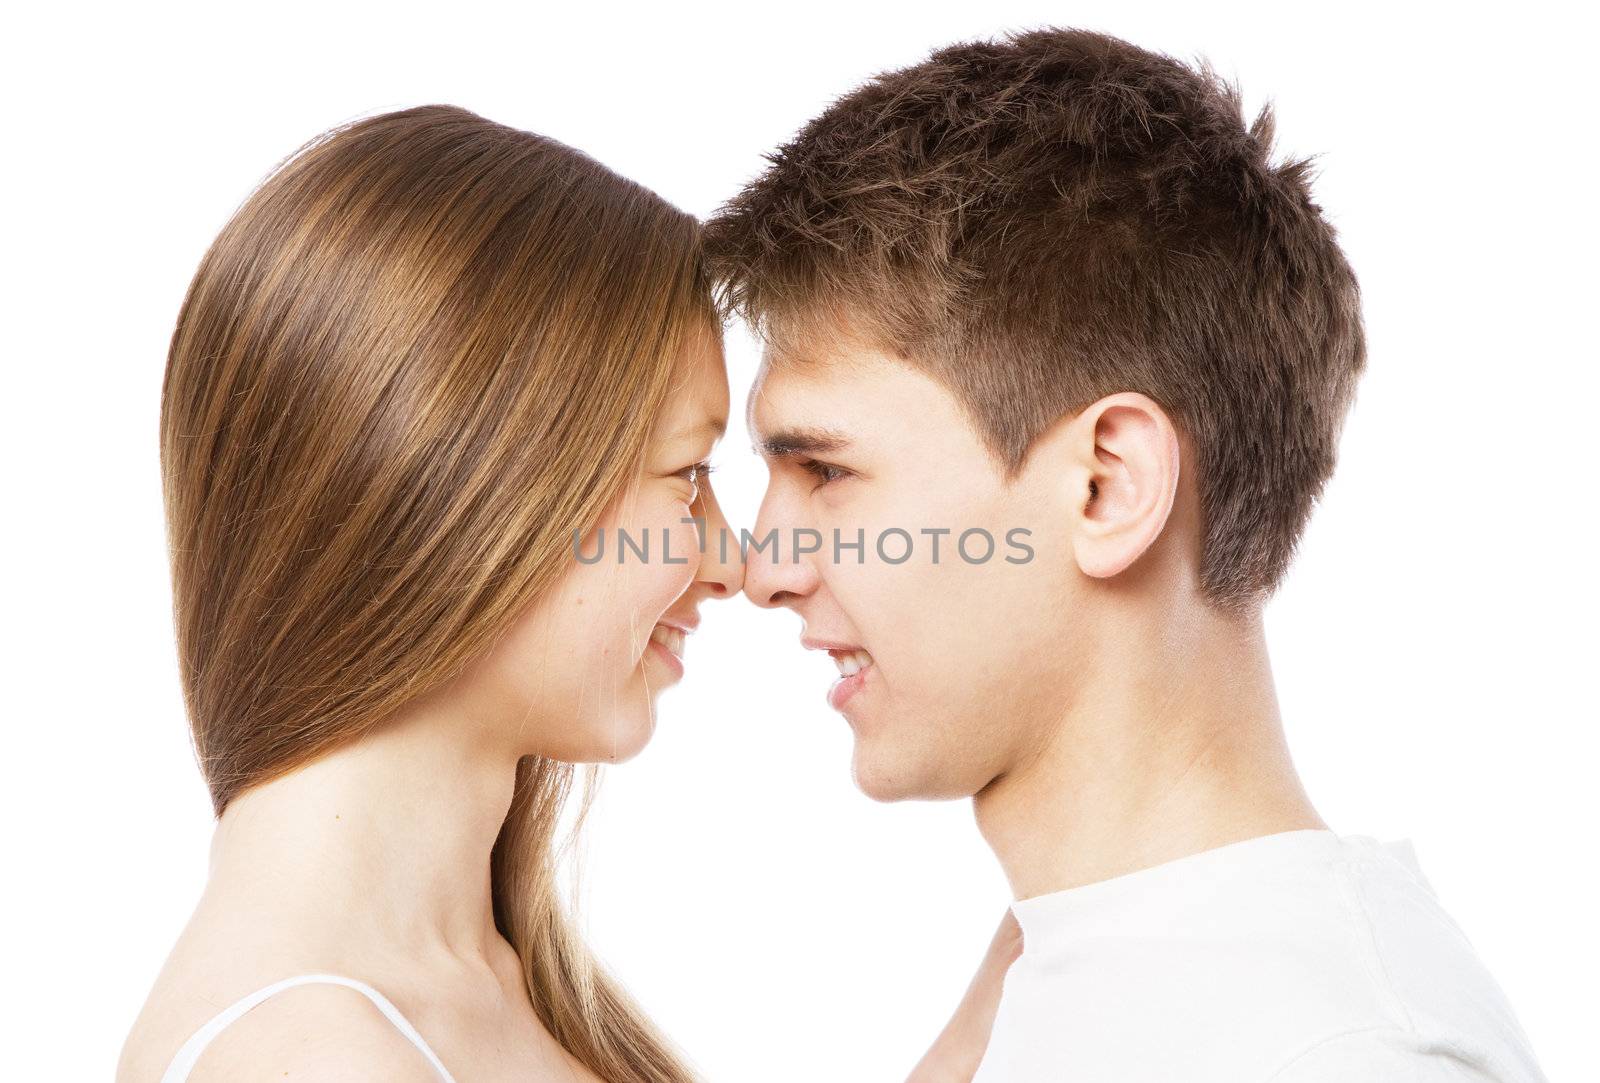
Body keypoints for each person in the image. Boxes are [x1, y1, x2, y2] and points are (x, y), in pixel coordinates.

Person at [701, 27, 1550, 1082]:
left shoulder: (1337, 1055)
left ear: (1107, 486)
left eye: (825, 472)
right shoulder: (1079, 990)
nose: (758, 568)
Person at [117, 105, 748, 1082]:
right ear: (468, 486)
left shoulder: (475, 988)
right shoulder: (310, 1060)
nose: (731, 561)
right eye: (687, 475)